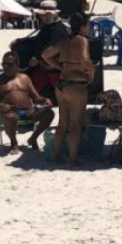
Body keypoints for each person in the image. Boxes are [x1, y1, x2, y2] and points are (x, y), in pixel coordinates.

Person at [41, 13, 95, 167]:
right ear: (83, 26)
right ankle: (72, 159)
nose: (88, 28)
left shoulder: (64, 41)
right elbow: (85, 59)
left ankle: (57, 157)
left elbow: (45, 55)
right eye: (88, 25)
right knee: (76, 125)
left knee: (62, 123)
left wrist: (60, 66)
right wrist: (91, 72)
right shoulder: (82, 40)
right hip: (76, 85)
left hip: (62, 84)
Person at [0, 52, 54, 154]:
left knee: (49, 113)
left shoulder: (25, 78)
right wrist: (2, 105)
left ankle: (33, 138)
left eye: (10, 64)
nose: (6, 67)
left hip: (29, 112)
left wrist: (45, 100)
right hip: (10, 111)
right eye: (4, 64)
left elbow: (36, 97)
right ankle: (14, 142)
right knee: (11, 117)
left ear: (17, 65)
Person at [10, 0, 71, 101]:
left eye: (47, 14)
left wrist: (37, 57)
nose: (45, 17)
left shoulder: (58, 30)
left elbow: (50, 47)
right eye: (43, 15)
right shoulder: (48, 27)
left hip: (55, 67)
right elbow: (38, 40)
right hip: (44, 66)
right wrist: (19, 41)